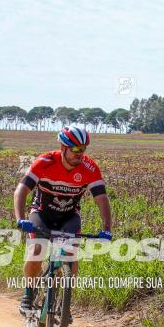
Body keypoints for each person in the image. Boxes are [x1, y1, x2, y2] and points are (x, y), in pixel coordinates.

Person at [13, 126, 112, 315]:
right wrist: (20, 218)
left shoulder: (89, 168)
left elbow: (101, 199)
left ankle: (63, 299)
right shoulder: (44, 161)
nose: (80, 154)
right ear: (63, 146)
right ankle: (28, 292)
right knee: (37, 249)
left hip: (69, 216)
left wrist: (107, 228)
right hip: (42, 214)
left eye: (83, 149)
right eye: (75, 149)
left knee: (70, 255)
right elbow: (21, 191)